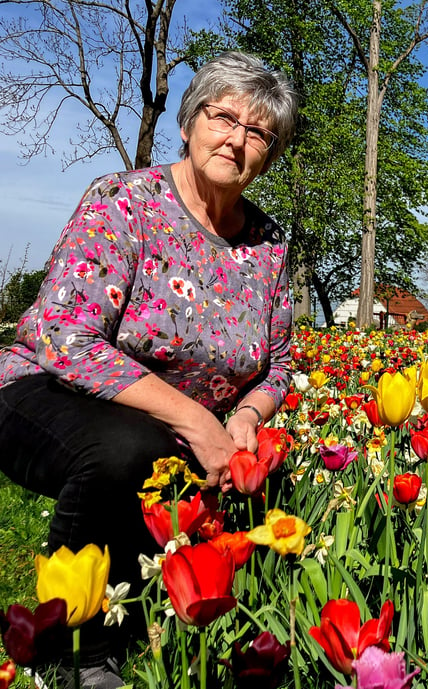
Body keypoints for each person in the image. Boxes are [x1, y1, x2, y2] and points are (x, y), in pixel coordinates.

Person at [0, 51, 298, 687]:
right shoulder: (126, 202)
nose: (238, 140)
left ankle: (207, 612)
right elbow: (64, 336)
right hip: (42, 392)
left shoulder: (268, 245)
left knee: (262, 464)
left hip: (171, 427)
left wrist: (245, 416)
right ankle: (76, 643)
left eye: (259, 133)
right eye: (224, 118)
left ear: (268, 155)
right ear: (189, 123)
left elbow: (280, 365)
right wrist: (196, 420)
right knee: (131, 448)